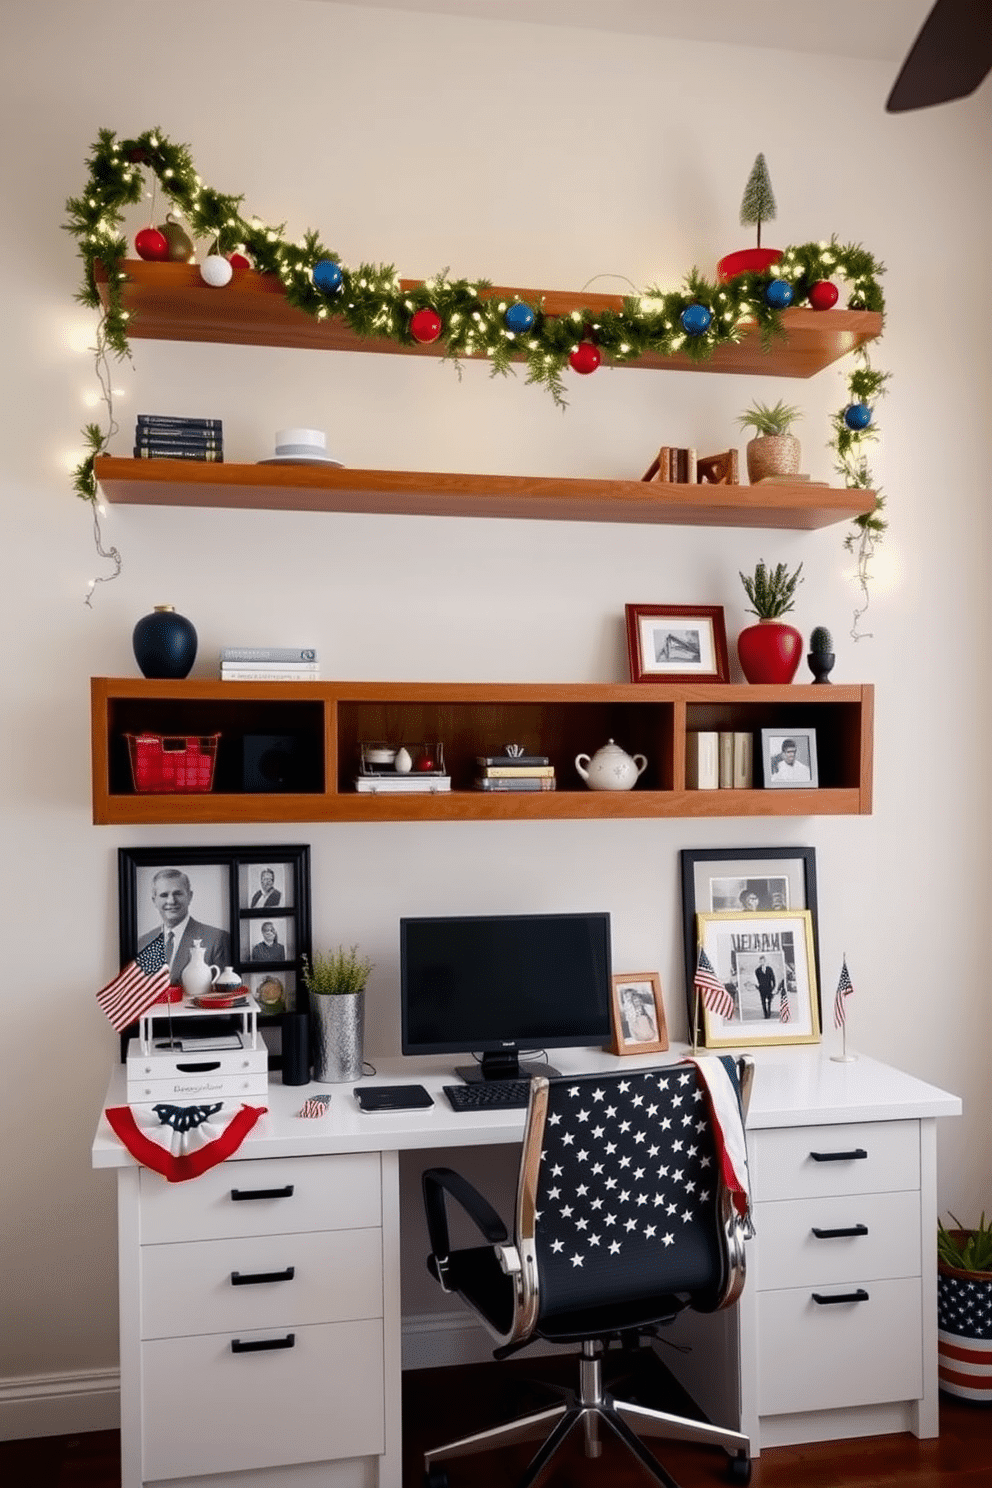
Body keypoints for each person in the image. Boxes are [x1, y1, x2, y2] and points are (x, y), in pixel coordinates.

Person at [136, 868, 231, 984]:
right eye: (164, 895)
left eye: (178, 893)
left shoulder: (217, 939)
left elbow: (225, 993)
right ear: (154, 901)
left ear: (190, 896)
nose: (171, 901)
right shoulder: (142, 943)